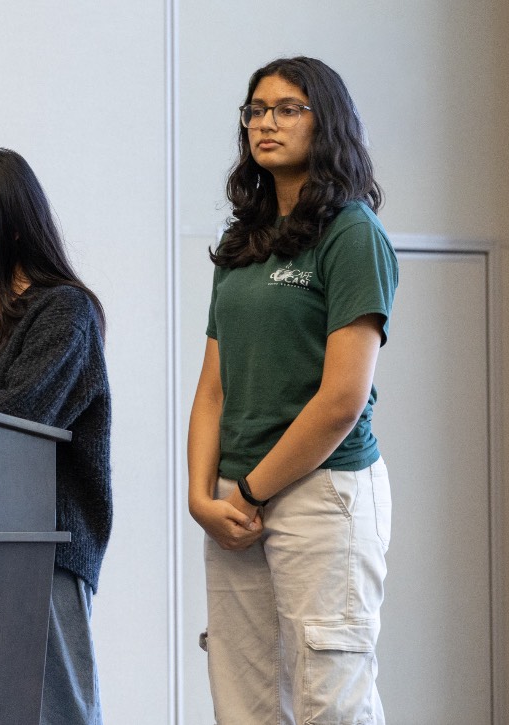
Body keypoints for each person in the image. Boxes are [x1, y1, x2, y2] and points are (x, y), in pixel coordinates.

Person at [187, 57, 398, 724]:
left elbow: (342, 398)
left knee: (329, 704)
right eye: (255, 109)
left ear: (325, 121)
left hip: (320, 491)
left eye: (287, 108)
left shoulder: (352, 232)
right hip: (233, 504)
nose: (265, 122)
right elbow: (213, 385)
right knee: (244, 706)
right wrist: (204, 498)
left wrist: (252, 492)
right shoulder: (241, 242)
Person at [0, 148, 111, 725]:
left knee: (57, 712)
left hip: (45, 549)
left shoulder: (64, 311)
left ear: (8, 226)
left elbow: (12, 421)